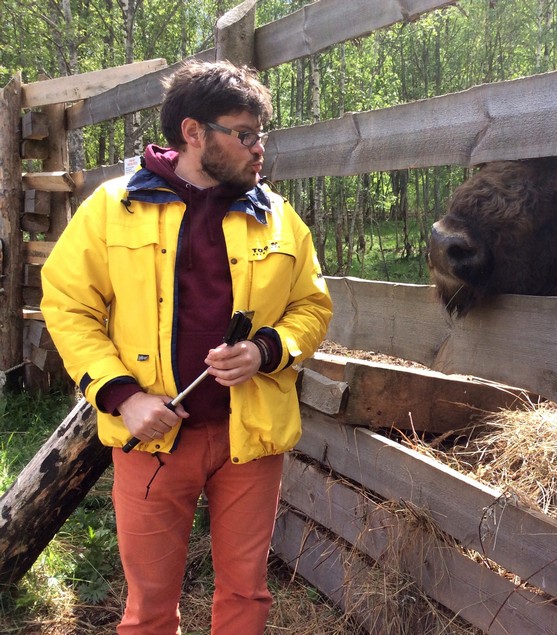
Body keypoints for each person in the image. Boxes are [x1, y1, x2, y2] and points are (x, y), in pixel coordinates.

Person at [40, 59, 333, 634]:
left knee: (246, 595)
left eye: (261, 135)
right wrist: (122, 397)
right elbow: (68, 306)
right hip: (151, 441)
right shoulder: (112, 208)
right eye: (244, 135)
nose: (258, 150)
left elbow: (312, 307)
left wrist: (267, 351)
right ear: (194, 133)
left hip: (251, 438)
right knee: (148, 607)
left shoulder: (277, 218)